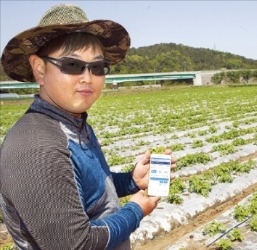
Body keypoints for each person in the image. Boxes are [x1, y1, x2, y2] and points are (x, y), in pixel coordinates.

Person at [0, 4, 176, 249]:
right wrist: (135, 211)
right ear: (39, 69)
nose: (87, 77)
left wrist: (131, 181)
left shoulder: (74, 125)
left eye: (97, 67)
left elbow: (83, 187)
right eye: (72, 65)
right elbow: (76, 244)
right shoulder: (35, 147)